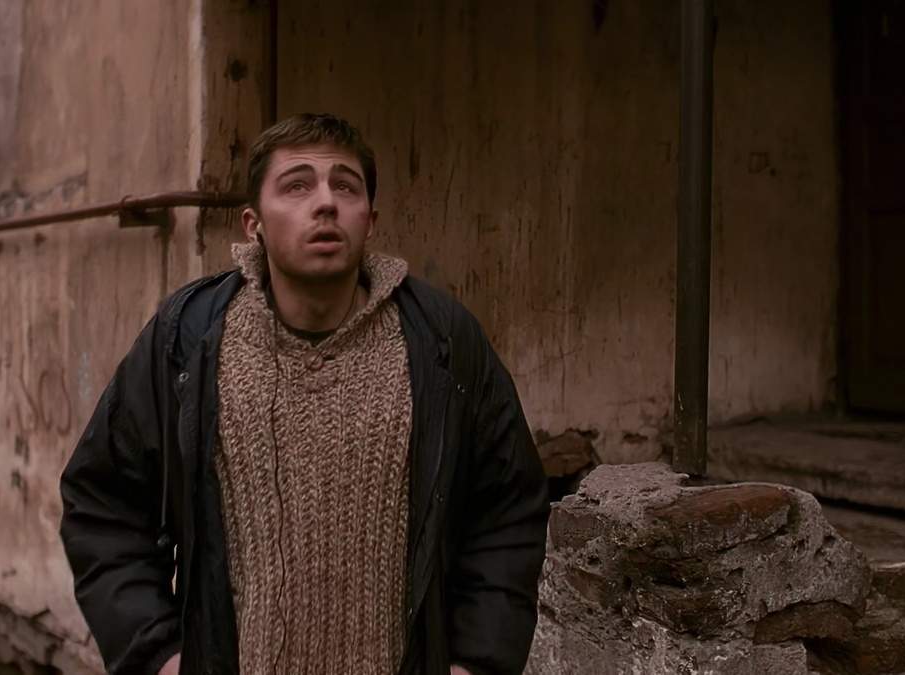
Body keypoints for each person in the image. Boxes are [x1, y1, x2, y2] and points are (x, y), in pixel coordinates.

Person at [59, 113, 550, 675]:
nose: (326, 203)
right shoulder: (189, 339)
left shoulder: (441, 341)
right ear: (254, 224)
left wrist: (477, 663)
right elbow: (103, 505)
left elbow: (506, 512)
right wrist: (159, 657)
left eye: (345, 186)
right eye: (297, 185)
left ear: (370, 220)